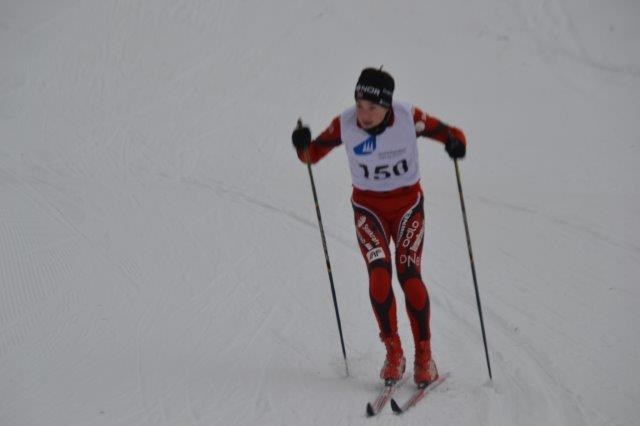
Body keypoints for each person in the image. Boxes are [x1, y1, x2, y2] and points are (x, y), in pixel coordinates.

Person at [291, 67, 466, 385]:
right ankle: (393, 353)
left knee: (409, 273)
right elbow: (311, 155)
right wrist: (301, 144)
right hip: (367, 210)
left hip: (407, 208)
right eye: (360, 105)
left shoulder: (408, 116)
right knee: (380, 274)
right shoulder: (345, 124)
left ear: (387, 106)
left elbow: (452, 134)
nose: (364, 114)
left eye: (372, 107)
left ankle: (424, 356)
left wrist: (456, 145)